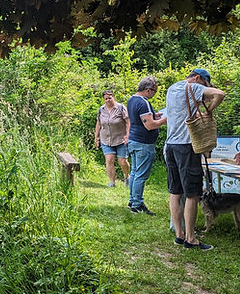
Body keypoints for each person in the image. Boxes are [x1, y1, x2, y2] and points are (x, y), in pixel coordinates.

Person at [165, 68, 226, 250]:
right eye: (205, 84)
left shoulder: (172, 88)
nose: (205, 89)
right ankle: (191, 239)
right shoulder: (193, 88)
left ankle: (179, 234)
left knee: (175, 192)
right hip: (186, 146)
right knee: (192, 194)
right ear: (197, 78)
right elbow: (220, 94)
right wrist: (209, 111)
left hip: (170, 145)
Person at [126, 76, 167, 215]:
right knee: (141, 175)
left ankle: (132, 201)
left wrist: (154, 115)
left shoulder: (132, 100)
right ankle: (137, 204)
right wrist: (164, 120)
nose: (154, 94)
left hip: (134, 140)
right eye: (154, 91)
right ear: (148, 90)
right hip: (143, 143)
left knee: (134, 172)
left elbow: (140, 118)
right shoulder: (143, 103)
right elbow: (149, 125)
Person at [94, 89, 130, 187]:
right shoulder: (101, 110)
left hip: (121, 139)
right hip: (106, 139)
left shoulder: (121, 108)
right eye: (106, 99)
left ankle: (127, 176)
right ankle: (112, 182)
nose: (108, 100)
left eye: (109, 98)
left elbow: (128, 122)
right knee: (109, 160)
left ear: (113, 97)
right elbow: (98, 123)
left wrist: (128, 135)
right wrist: (96, 137)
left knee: (122, 161)